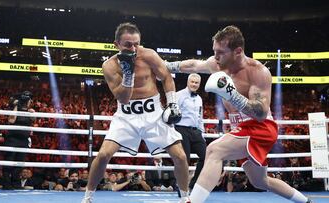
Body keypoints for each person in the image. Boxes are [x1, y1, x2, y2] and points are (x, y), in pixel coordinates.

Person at [166, 25, 312, 203]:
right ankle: (306, 201)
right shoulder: (217, 64)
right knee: (260, 181)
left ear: (238, 51)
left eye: (221, 52)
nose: (216, 56)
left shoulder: (257, 72)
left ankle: (192, 201)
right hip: (240, 127)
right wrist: (166, 66)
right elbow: (195, 64)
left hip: (261, 127)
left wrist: (232, 95)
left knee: (214, 150)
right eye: (214, 51)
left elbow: (260, 112)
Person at [81, 22, 190, 203]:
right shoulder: (109, 66)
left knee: (179, 155)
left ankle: (186, 198)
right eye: (128, 45)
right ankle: (88, 197)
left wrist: (172, 103)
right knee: (103, 155)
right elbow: (122, 98)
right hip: (126, 116)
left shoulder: (149, 55)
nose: (133, 48)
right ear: (116, 44)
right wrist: (128, 72)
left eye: (136, 43)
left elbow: (167, 77)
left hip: (154, 113)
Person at [175, 73, 206, 191]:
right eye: (192, 82)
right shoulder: (178, 95)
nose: (194, 84)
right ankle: (181, 187)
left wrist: (201, 133)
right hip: (181, 129)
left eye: (196, 82)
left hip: (195, 131)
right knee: (184, 159)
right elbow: (172, 113)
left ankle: (192, 184)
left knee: (206, 156)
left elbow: (200, 117)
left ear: (199, 84)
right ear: (188, 82)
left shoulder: (199, 99)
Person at [2, 91, 35, 189]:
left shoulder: (30, 111)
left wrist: (31, 111)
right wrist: (15, 106)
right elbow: (11, 120)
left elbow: (34, 119)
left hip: (23, 140)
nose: (28, 101)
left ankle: (16, 184)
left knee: (19, 163)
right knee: (9, 161)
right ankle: (7, 184)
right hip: (12, 139)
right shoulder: (15, 109)